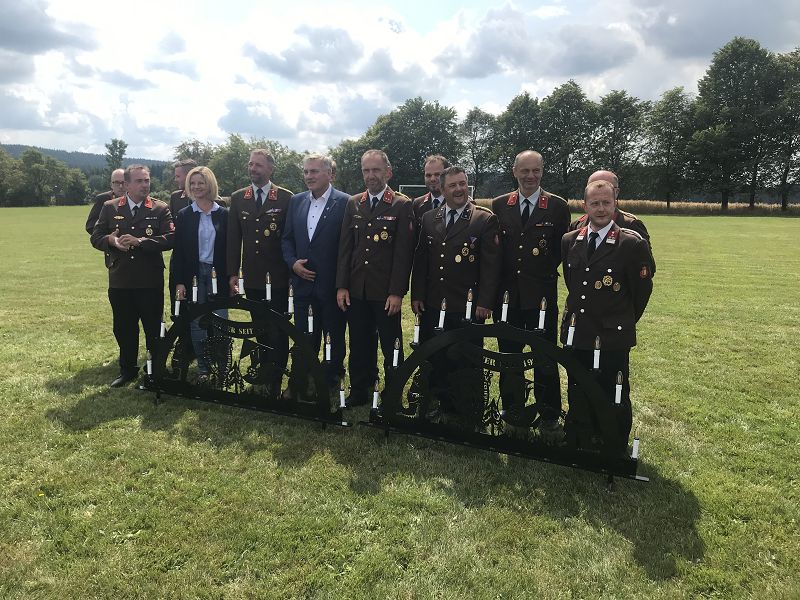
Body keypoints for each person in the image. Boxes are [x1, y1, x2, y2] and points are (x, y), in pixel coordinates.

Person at [560, 179, 653, 450]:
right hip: (578, 329)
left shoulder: (631, 244)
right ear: (585, 205)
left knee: (614, 388)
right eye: (595, 203)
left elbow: (641, 292)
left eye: (606, 203)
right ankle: (578, 437)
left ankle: (613, 442)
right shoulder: (570, 240)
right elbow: (573, 283)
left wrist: (620, 320)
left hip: (611, 334)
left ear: (615, 204)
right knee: (578, 385)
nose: (600, 209)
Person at [491, 150, 570, 439]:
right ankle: (513, 415)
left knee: (545, 358)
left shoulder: (558, 206)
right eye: (524, 170)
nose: (530, 176)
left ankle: (549, 417)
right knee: (509, 358)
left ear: (542, 172)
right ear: (514, 172)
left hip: (541, 298)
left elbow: (561, 250)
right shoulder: (500, 205)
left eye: (536, 170)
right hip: (507, 299)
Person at [411, 165, 500, 419]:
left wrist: (485, 302)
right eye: (453, 185)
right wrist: (417, 294)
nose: (459, 189)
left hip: (467, 305)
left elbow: (491, 267)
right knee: (436, 356)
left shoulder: (483, 219)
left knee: (466, 359)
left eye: (462, 184)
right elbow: (422, 261)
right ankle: (436, 403)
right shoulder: (430, 218)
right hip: (434, 302)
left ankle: (468, 411)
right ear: (442, 189)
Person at [336, 149, 414, 406]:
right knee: (359, 341)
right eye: (366, 170)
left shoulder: (401, 205)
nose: (370, 175)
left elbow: (403, 255)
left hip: (385, 291)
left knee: (392, 344)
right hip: (357, 288)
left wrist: (396, 292)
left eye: (376, 170)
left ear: (388, 172)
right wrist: (342, 286)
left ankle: (393, 392)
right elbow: (346, 248)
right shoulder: (354, 203)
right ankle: (361, 388)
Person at [90, 165, 174, 387]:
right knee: (124, 328)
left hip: (149, 280)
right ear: (126, 184)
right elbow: (96, 236)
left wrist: (141, 242)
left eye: (147, 180)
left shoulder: (159, 208)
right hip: (121, 279)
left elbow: (171, 237)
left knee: (153, 328)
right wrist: (112, 241)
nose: (145, 185)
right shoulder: (110, 207)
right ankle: (127, 370)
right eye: (139, 181)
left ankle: (156, 369)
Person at [226, 149, 293, 395]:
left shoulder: (285, 198)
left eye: (258, 165)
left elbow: (290, 239)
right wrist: (233, 273)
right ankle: (262, 376)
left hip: (278, 278)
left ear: (271, 169)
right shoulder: (238, 198)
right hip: (252, 278)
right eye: (251, 164)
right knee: (258, 329)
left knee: (278, 330)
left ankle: (275, 379)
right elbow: (233, 240)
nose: (253, 169)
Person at [282, 154, 349, 395]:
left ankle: (330, 381)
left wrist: (342, 283)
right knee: (303, 337)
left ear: (330, 174)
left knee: (333, 336)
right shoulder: (296, 201)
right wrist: (293, 264)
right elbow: (287, 239)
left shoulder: (346, 202)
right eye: (306, 171)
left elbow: (348, 247)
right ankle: (300, 380)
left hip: (331, 287)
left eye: (314, 171)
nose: (309, 176)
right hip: (302, 286)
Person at [172, 166, 229, 382]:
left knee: (222, 323)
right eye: (192, 183)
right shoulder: (184, 215)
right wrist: (180, 282)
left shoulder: (224, 214)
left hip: (218, 276)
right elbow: (178, 252)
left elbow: (231, 250)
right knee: (197, 324)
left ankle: (222, 369)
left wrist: (232, 276)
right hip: (194, 276)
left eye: (201, 183)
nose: (196, 187)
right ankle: (204, 369)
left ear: (210, 185)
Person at [569, 169, 655, 274]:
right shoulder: (577, 225)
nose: (599, 189)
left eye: (606, 186)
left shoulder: (630, 224)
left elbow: (646, 268)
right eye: (594, 185)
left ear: (616, 192)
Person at [411, 155, 450, 230]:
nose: (432, 179)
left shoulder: (457, 203)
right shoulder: (417, 204)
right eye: (428, 175)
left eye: (437, 174)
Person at [85, 169, 125, 234]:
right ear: (111, 185)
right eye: (117, 182)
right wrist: (107, 237)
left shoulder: (137, 199)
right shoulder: (102, 199)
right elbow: (90, 226)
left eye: (123, 182)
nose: (120, 186)